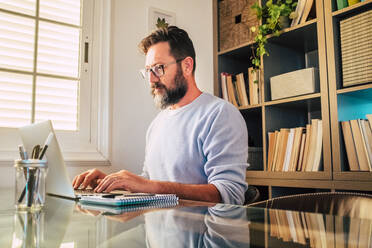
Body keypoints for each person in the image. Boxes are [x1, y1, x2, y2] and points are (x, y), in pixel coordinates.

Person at [72, 26, 248, 204]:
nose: (151, 79)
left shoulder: (219, 115)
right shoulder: (158, 123)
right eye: (148, 71)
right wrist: (112, 184)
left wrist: (150, 186)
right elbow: (149, 181)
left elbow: (229, 195)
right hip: (156, 227)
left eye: (158, 68)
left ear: (187, 66)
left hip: (200, 230)